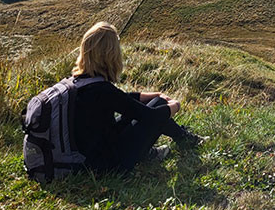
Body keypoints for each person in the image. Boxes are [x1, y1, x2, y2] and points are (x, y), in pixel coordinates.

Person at [70, 21, 204, 173]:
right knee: (156, 108)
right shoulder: (102, 90)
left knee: (152, 104)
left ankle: (182, 139)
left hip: (88, 156)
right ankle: (184, 140)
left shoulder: (78, 83)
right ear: (111, 55)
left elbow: (121, 100)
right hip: (109, 165)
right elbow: (150, 117)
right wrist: (175, 105)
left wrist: (149, 95)